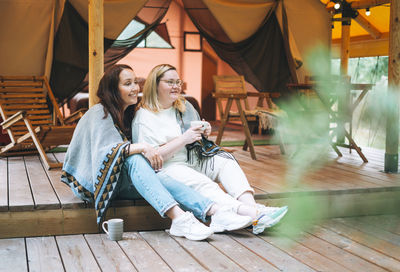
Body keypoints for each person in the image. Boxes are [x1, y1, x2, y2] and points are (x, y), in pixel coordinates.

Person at [61, 64, 253, 241]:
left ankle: (215, 211)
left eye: (136, 82)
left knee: (159, 175)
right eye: (128, 84)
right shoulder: (98, 113)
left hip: (121, 179)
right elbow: (104, 153)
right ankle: (179, 218)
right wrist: (143, 147)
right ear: (112, 89)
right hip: (93, 183)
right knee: (135, 159)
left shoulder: (127, 113)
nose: (136, 87)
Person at [132, 64, 288, 234]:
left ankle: (253, 208)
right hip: (169, 167)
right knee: (205, 184)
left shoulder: (184, 106)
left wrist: (204, 130)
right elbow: (154, 158)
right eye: (170, 82)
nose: (176, 86)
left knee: (225, 161)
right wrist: (184, 139)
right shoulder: (145, 117)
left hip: (193, 158)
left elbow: (194, 137)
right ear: (155, 84)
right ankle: (255, 213)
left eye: (178, 81)